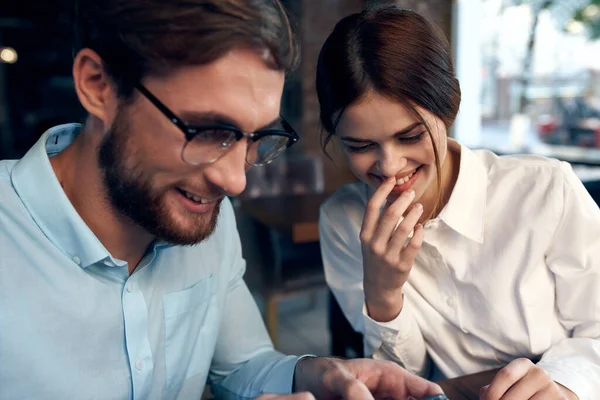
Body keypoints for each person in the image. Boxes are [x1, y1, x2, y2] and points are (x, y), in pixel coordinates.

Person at [0, 1, 445, 399]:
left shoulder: (209, 219)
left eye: (257, 138)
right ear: (98, 86)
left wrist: (314, 374)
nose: (235, 182)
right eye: (209, 132)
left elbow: (241, 365)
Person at [316, 5, 600, 400]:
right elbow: (402, 381)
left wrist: (564, 386)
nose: (389, 165)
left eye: (410, 136)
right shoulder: (344, 222)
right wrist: (384, 295)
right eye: (361, 146)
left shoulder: (545, 190)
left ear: (450, 104)